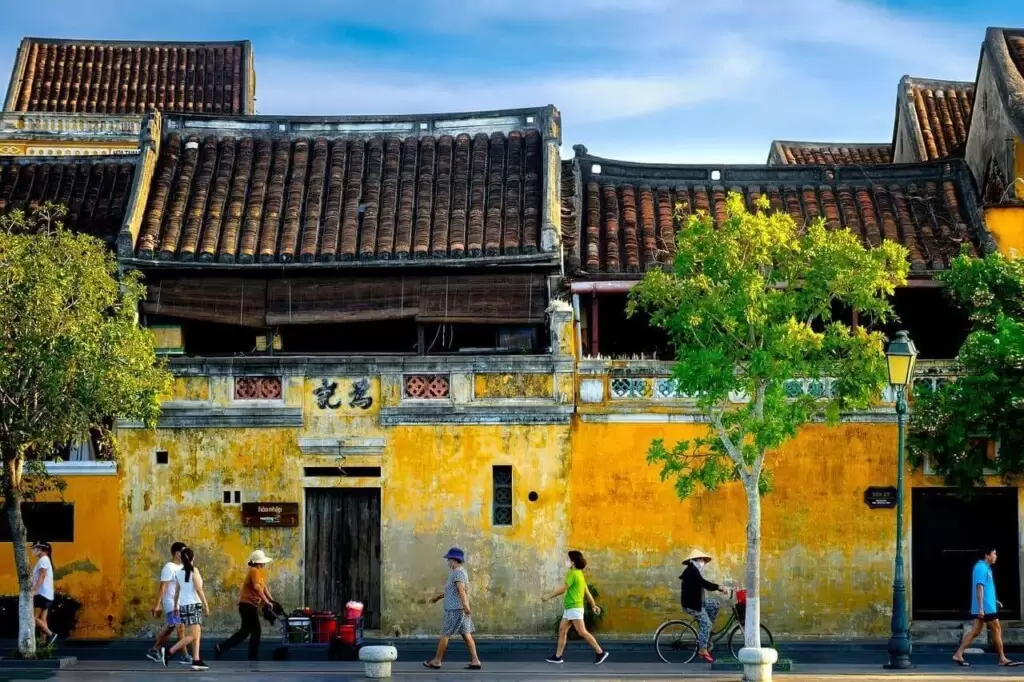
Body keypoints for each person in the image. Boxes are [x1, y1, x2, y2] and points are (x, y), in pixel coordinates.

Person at [952, 547, 1022, 667]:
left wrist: (994, 600)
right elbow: (979, 587)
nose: (996, 556)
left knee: (975, 631)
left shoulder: (986, 568)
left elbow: (986, 588)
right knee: (997, 629)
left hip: (986, 605)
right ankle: (1002, 658)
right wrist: (980, 607)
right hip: (986, 607)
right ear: (987, 555)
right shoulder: (981, 568)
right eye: (994, 554)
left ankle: (958, 654)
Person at [543, 550, 609, 665]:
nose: (566, 561)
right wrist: (593, 605)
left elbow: (563, 589)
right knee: (562, 630)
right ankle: (558, 657)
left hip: (574, 607)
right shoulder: (579, 574)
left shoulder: (572, 574)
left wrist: (548, 596)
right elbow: (586, 591)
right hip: (570, 608)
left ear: (573, 562)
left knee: (582, 632)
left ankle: (600, 652)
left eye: (568, 559)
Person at [423, 547, 482, 671]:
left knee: (445, 634)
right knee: (467, 635)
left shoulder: (457, 573)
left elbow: (461, 591)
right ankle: (475, 660)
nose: (448, 562)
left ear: (455, 560)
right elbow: (453, 591)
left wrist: (466, 606)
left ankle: (437, 661)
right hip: (460, 610)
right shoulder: (461, 572)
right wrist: (438, 597)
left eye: (449, 559)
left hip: (455, 610)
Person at [215, 549, 276, 661]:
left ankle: (221, 647)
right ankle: (252, 657)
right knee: (256, 631)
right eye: (263, 561)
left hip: (247, 606)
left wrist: (271, 601)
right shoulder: (254, 571)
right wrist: (266, 601)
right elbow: (257, 588)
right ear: (259, 562)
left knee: (244, 632)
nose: (264, 563)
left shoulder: (257, 572)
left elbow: (264, 587)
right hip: (248, 605)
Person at [160, 547, 211, 671]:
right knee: (193, 635)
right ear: (193, 557)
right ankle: (169, 652)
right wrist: (206, 605)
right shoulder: (194, 571)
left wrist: (176, 606)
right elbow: (199, 589)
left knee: (196, 634)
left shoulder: (179, 573)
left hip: (183, 605)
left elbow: (177, 592)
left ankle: (196, 660)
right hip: (194, 605)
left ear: (182, 558)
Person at [680, 548, 729, 663]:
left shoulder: (693, 571)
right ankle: (703, 649)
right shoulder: (691, 571)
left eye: (702, 559)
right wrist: (719, 587)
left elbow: (702, 583)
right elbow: (705, 584)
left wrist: (718, 587)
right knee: (706, 623)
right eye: (700, 559)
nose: (702, 562)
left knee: (715, 604)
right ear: (693, 560)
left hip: (697, 602)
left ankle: (706, 631)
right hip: (691, 605)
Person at [147, 541, 190, 665]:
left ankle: (154, 649)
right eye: (183, 551)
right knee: (180, 627)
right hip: (170, 602)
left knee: (170, 627)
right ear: (177, 553)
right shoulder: (169, 567)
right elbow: (163, 587)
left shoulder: (183, 567)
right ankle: (185, 655)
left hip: (180, 602)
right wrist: (157, 604)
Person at [30, 541, 57, 648]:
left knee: (32, 619)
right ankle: (43, 643)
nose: (34, 550)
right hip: (47, 595)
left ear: (42, 549)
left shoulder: (43, 560)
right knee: (42, 619)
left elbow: (42, 575)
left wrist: (35, 590)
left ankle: (51, 634)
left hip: (41, 594)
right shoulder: (46, 560)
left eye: (36, 548)